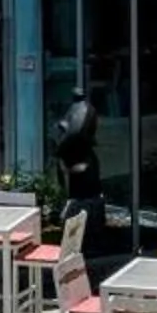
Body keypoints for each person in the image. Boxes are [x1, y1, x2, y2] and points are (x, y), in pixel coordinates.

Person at [53, 87, 101, 238]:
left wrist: (61, 149)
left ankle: (82, 235)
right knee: (77, 197)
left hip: (78, 158)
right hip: (76, 157)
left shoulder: (84, 110)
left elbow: (75, 132)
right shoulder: (78, 109)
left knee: (80, 200)